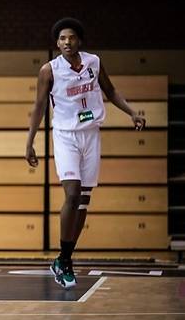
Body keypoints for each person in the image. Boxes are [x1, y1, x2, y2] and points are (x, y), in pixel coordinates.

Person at [25, 17, 146, 289]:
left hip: (91, 133)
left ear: (79, 40)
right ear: (57, 43)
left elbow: (111, 91)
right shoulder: (49, 70)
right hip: (65, 135)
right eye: (61, 39)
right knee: (73, 193)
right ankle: (65, 260)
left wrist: (131, 113)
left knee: (84, 201)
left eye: (71, 38)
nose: (66, 42)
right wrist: (30, 141)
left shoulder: (94, 62)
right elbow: (40, 105)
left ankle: (64, 257)